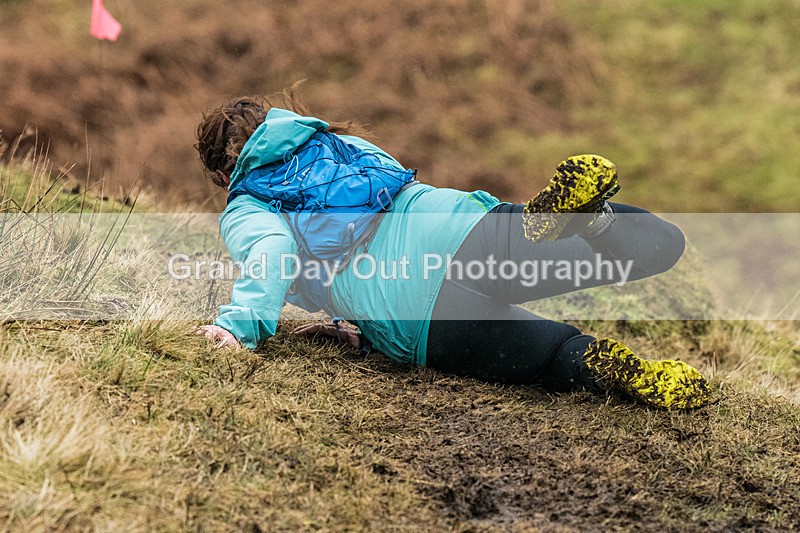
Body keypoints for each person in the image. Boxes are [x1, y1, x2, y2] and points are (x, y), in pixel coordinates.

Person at [195, 90, 711, 410]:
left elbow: (273, 253)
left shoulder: (246, 204)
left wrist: (238, 327)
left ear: (222, 173)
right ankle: (589, 220)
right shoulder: (339, 143)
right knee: (661, 245)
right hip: (461, 230)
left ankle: (615, 368)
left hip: (417, 312)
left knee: (553, 355)